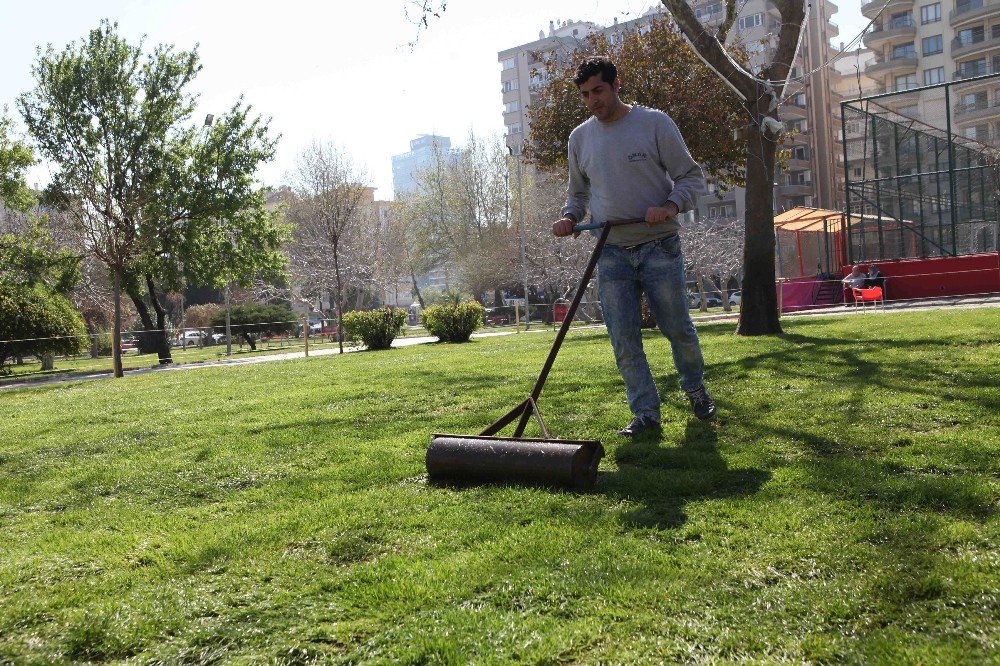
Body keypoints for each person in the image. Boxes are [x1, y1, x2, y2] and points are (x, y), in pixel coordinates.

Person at [551, 57, 715, 437]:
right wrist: (569, 218)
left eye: (598, 91)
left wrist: (670, 206)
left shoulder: (654, 123)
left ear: (616, 84)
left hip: (659, 245)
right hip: (609, 250)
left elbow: (690, 177)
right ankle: (646, 414)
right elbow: (577, 195)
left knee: (678, 328)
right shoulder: (579, 138)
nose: (593, 100)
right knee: (623, 337)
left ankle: (695, 390)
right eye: (585, 94)